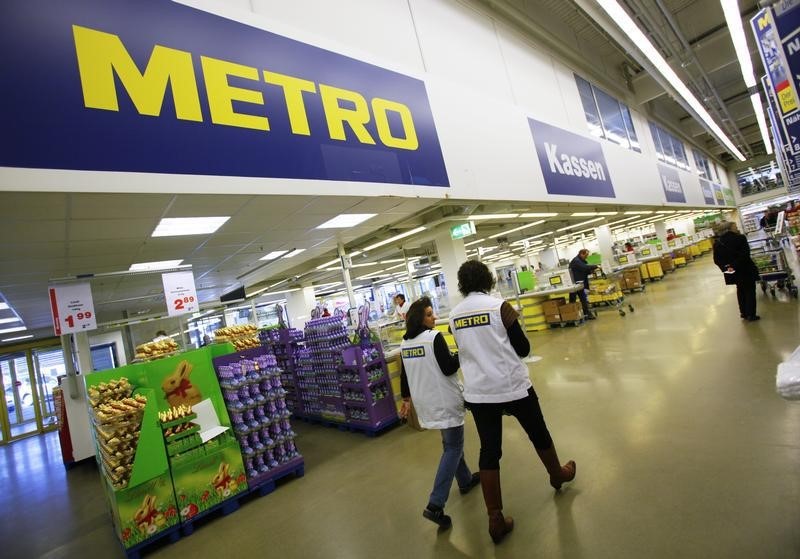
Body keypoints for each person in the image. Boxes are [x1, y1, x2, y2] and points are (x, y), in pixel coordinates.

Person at [449, 260, 576, 544]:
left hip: (479, 393)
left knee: (489, 450)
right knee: (538, 432)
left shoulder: (454, 316)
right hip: (512, 387)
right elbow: (523, 348)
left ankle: (495, 517)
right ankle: (557, 475)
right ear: (488, 280)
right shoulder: (499, 307)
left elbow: (465, 350)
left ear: (462, 284)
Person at [399, 297, 480, 529]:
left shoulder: (405, 344)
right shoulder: (434, 337)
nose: (434, 317)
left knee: (450, 444)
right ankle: (435, 505)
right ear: (419, 319)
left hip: (427, 402)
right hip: (445, 399)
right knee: (453, 447)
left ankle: (464, 480)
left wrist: (405, 401)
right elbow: (448, 367)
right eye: (429, 314)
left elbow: (405, 377)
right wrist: (462, 352)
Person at [713, 221, 760, 321]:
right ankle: (751, 314)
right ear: (729, 229)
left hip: (731, 272)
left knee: (740, 290)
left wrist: (727, 268)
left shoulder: (717, 243)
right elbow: (745, 254)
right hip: (745, 269)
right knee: (750, 291)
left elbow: (717, 260)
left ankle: (743, 313)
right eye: (735, 226)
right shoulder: (740, 238)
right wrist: (735, 265)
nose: (737, 228)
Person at [568, 249, 598, 320]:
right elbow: (584, 267)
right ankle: (571, 315)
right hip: (574, 284)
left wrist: (591, 271)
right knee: (573, 300)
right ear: (581, 254)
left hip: (579, 283)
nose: (586, 257)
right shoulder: (576, 261)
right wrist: (595, 266)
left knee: (583, 299)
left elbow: (584, 270)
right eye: (586, 255)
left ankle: (586, 314)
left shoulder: (581, 260)